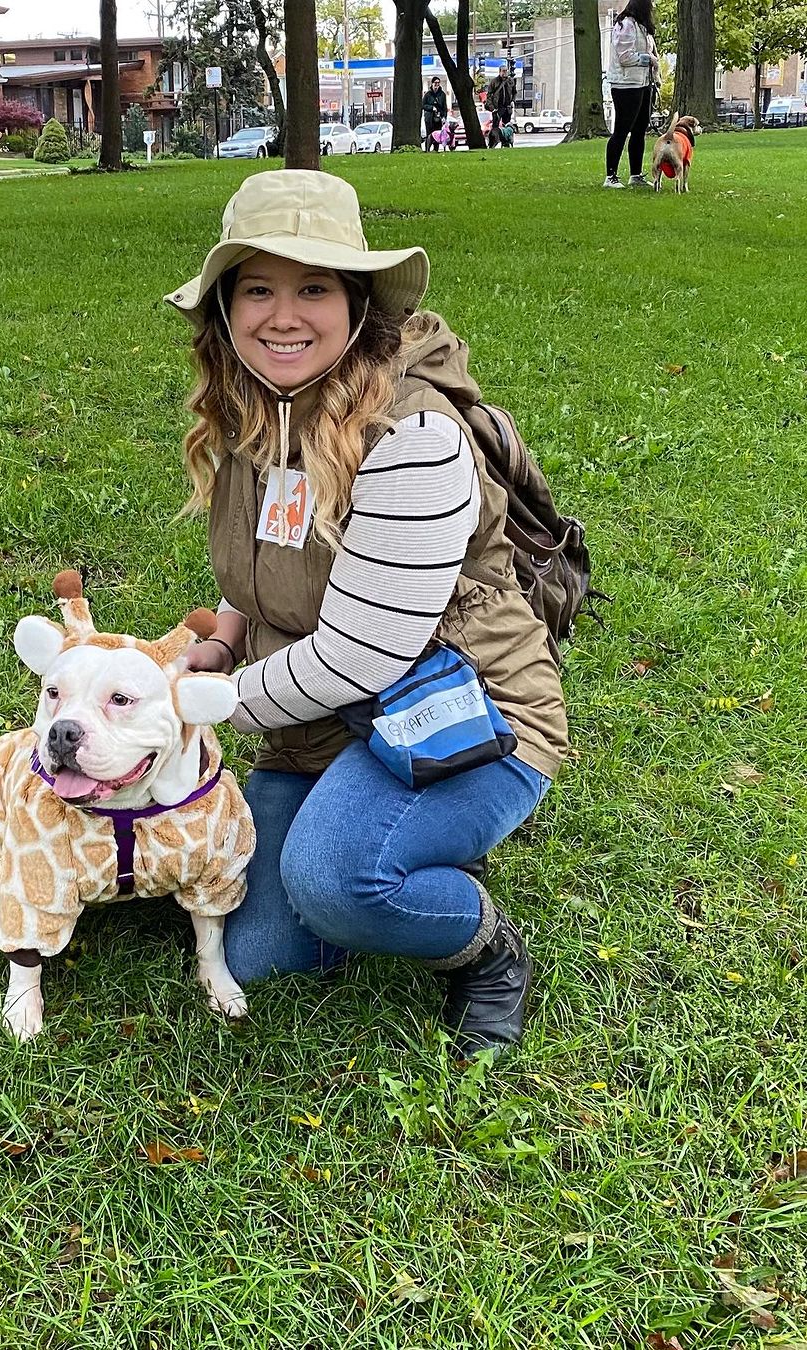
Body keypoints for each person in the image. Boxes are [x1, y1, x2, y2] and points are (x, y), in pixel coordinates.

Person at [165, 171, 568, 1057]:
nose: (284, 316)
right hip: (324, 726)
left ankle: (484, 949)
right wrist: (224, 640)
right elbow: (256, 573)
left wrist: (192, 708)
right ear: (224, 310)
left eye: (314, 288)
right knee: (263, 949)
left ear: (357, 306)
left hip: (462, 713)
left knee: (338, 882)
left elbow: (361, 656)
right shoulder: (252, 411)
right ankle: (390, 839)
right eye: (258, 288)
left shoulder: (414, 438)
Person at [605, 0, 659, 188]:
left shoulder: (641, 28)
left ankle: (635, 175)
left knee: (639, 131)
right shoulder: (626, 25)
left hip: (642, 84)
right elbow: (625, 57)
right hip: (625, 85)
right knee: (621, 130)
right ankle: (610, 176)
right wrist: (649, 59)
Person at [422, 76, 449, 151]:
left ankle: (436, 149)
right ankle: (427, 149)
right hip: (429, 118)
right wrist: (431, 108)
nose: (437, 84)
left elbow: (444, 107)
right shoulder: (428, 94)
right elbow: (423, 105)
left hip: (438, 118)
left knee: (438, 134)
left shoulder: (442, 94)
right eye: (435, 83)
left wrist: (444, 117)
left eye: (438, 83)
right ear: (432, 83)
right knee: (429, 134)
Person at [486, 68, 516, 132]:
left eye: (506, 71)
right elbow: (489, 95)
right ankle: (495, 139)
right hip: (497, 108)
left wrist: (513, 101)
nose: (505, 72)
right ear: (500, 71)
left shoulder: (510, 81)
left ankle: (505, 140)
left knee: (507, 125)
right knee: (495, 126)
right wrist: (492, 108)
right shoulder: (494, 81)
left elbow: (514, 92)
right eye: (503, 71)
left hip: (507, 107)